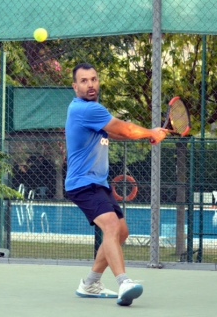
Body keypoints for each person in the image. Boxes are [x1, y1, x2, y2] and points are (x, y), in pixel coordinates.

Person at [65, 63, 168, 306]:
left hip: (97, 182)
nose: (90, 84)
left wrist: (149, 135)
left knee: (121, 232)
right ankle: (124, 282)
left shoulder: (92, 110)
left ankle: (90, 283)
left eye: (94, 79)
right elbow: (128, 129)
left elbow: (116, 133)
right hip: (82, 183)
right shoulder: (85, 110)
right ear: (75, 86)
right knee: (110, 225)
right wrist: (149, 132)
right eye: (84, 81)